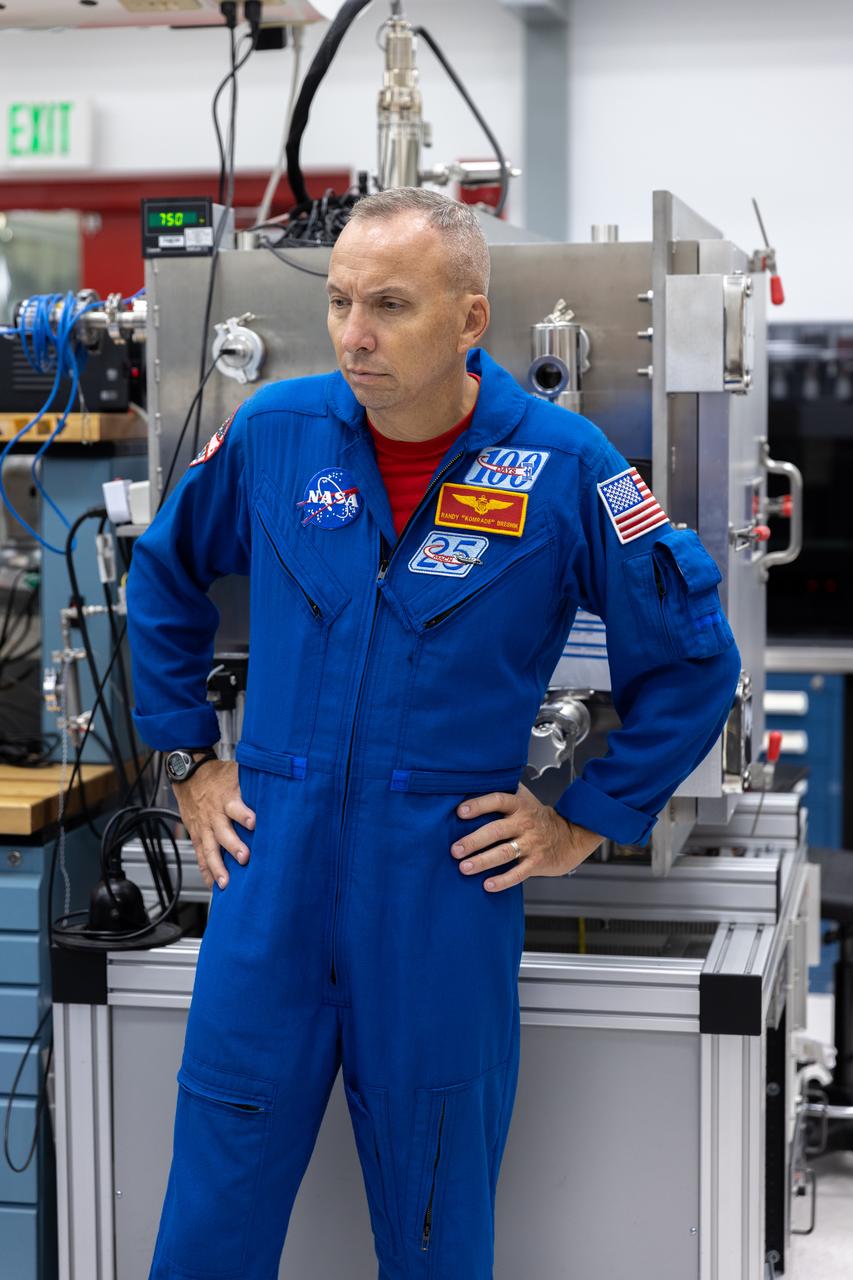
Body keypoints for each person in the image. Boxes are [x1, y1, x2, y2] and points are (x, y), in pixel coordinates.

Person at [126, 187, 741, 1280]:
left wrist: (579, 821)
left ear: (468, 317)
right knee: (212, 1213)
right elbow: (164, 574)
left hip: (439, 885)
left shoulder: (564, 465)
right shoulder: (275, 431)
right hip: (270, 869)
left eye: (392, 305)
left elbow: (694, 659)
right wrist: (189, 757)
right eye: (344, 302)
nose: (355, 334)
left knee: (433, 1225)